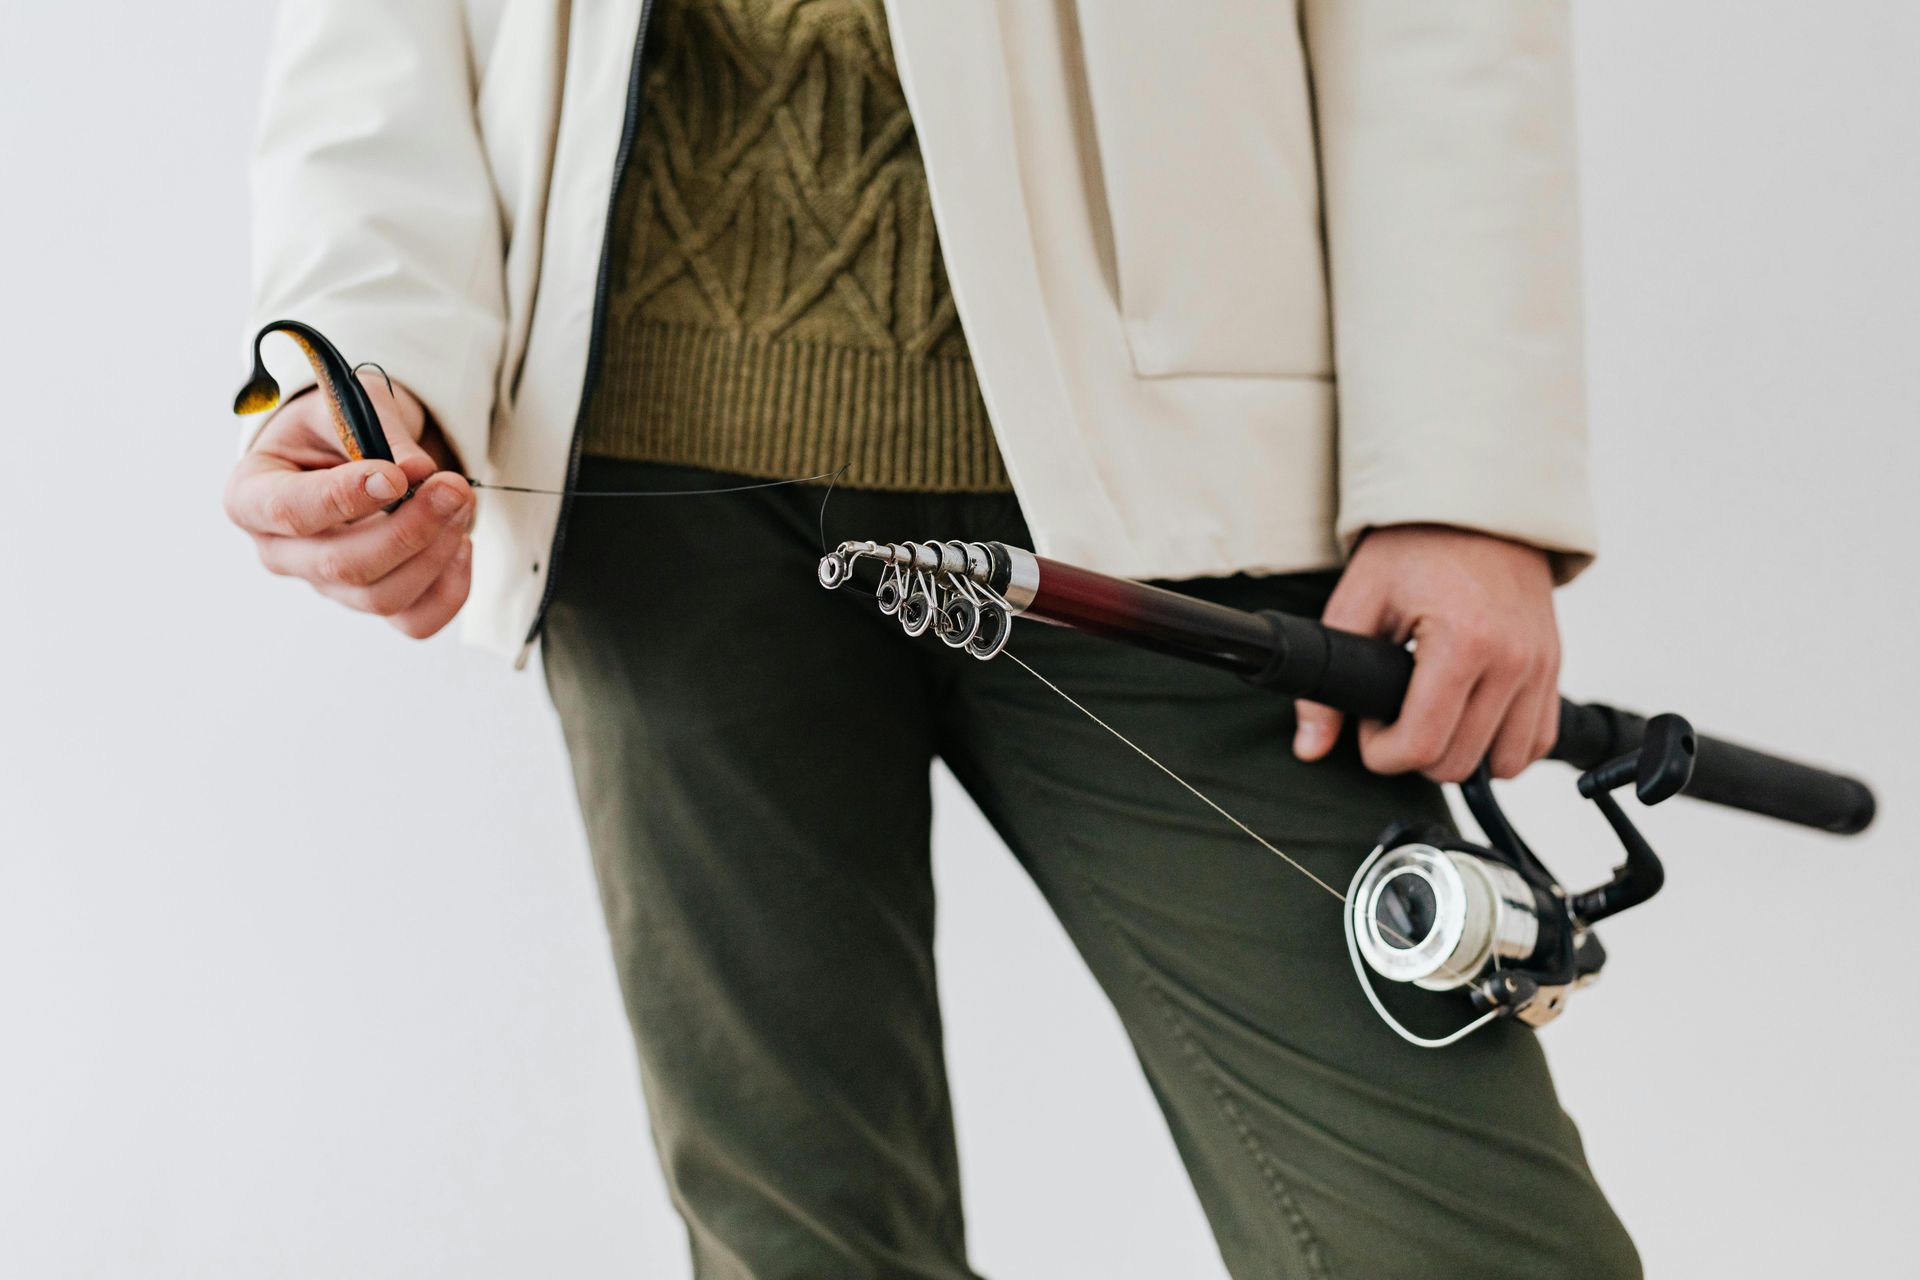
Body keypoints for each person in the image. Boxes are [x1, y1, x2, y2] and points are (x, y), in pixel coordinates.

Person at [224, 2, 1638, 1276]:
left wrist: (1466, 483)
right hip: (647, 500)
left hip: (1182, 493)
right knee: (803, 1244)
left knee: (1465, 1239)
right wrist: (365, 368)